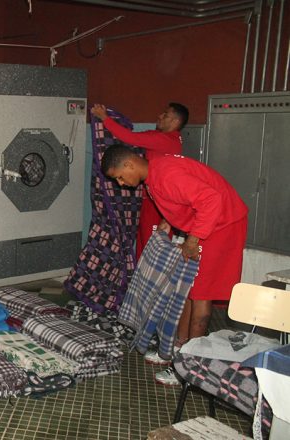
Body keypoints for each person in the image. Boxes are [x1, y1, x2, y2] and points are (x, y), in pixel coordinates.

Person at [101, 144, 248, 386]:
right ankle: (177, 349)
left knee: (200, 294)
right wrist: (166, 224)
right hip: (210, 223)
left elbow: (212, 199)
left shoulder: (167, 175)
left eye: (119, 177)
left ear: (129, 164)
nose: (121, 183)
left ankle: (190, 369)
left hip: (222, 225)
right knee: (187, 289)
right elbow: (180, 201)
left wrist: (193, 238)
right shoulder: (153, 171)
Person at [90, 103, 188, 261]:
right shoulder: (163, 138)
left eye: (165, 114)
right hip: (151, 198)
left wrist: (105, 118)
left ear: (175, 121)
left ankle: (150, 282)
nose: (160, 116)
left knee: (152, 246)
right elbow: (134, 137)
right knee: (145, 242)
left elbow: (130, 138)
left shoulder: (165, 140)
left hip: (158, 202)